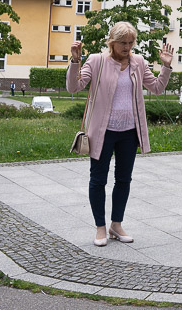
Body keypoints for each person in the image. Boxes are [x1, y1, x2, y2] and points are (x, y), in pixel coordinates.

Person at [66, 22, 174, 247]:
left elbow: (156, 88)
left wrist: (165, 67)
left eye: (130, 43)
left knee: (123, 180)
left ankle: (116, 224)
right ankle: (100, 228)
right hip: (102, 132)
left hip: (129, 132)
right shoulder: (97, 61)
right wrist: (75, 61)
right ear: (111, 42)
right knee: (98, 180)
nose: (127, 47)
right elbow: (73, 87)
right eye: (123, 43)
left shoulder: (138, 62)